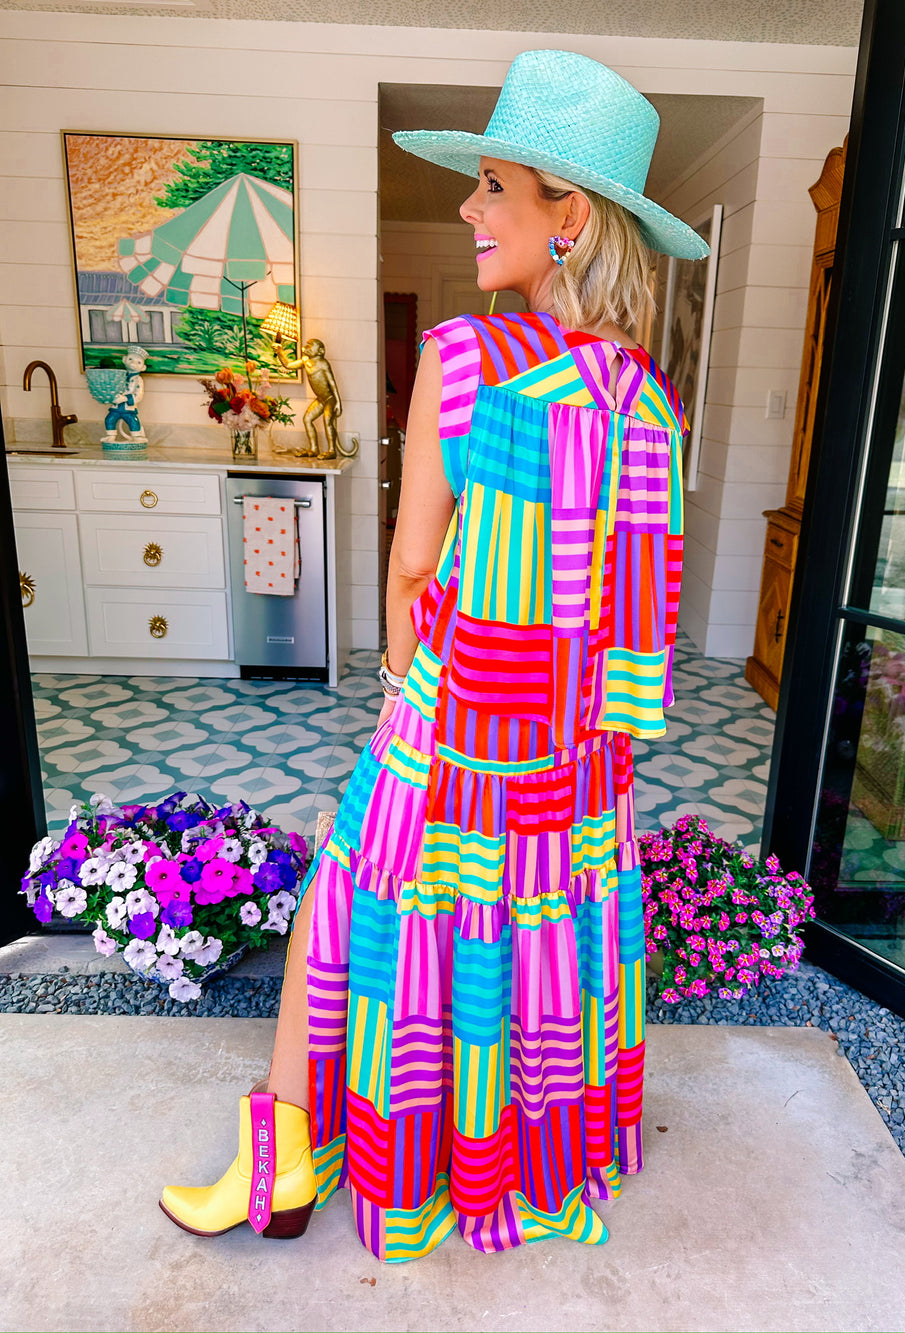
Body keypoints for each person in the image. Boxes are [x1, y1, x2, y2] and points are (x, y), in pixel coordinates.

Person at [159, 47, 708, 1261]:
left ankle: (285, 1156)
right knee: (536, 941)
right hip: (579, 751)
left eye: (494, 186)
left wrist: (405, 717)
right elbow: (631, 606)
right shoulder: (649, 404)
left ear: (570, 217)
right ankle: (519, 1154)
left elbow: (412, 571)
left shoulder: (465, 360)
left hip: (456, 725)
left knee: (357, 908)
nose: (469, 208)